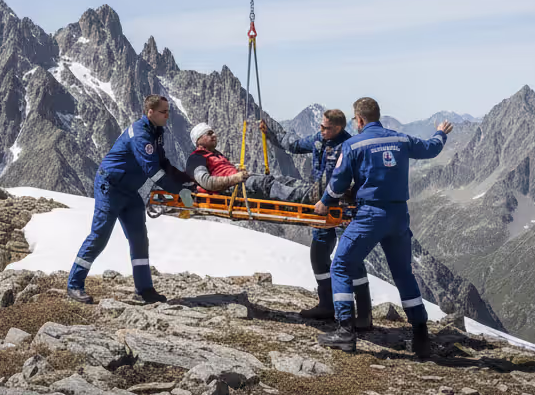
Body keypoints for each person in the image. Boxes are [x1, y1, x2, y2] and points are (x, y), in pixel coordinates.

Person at [314, 97, 453, 357]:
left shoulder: (353, 144)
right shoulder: (401, 139)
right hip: (399, 215)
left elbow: (338, 182)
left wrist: (324, 203)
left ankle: (345, 332)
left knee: (341, 265)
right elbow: (430, 148)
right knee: (403, 273)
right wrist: (440, 133)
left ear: (359, 120)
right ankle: (421, 336)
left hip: (370, 215)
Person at [67, 95, 195, 305]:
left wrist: (186, 182)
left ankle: (144, 290)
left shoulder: (157, 132)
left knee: (139, 239)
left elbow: (163, 163)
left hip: (130, 190)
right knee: (99, 237)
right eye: (164, 111)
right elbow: (152, 171)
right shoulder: (141, 134)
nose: (167, 115)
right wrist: (178, 192)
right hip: (110, 187)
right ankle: (74, 285)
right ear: (150, 112)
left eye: (168, 111)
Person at [261, 111, 356, 321]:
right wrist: (270, 133)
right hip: (321, 204)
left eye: (326, 128)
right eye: (321, 127)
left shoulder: (349, 146)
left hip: (343, 207)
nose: (321, 131)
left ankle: (361, 314)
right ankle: (326, 305)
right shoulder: (318, 140)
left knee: (350, 258)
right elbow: (293, 144)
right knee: (319, 254)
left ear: (339, 128)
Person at [185, 123, 316, 203]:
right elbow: (207, 182)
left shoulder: (215, 154)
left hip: (237, 182)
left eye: (213, 132)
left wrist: (236, 169)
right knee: (264, 184)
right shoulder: (196, 158)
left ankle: (314, 190)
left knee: (279, 179)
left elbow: (220, 170)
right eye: (209, 133)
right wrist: (234, 178)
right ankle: (307, 197)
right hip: (229, 189)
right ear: (199, 139)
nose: (214, 135)